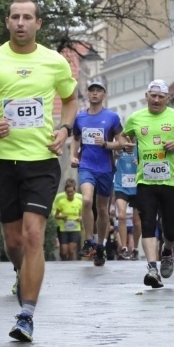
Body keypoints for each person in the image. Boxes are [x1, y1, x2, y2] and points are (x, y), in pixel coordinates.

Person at [0, 0, 77, 342]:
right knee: (14, 242)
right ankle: (20, 270)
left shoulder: (54, 62)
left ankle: (26, 314)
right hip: (3, 162)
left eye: (28, 17)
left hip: (42, 161)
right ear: (7, 22)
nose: (21, 23)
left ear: (38, 24)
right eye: (15, 17)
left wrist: (64, 129)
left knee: (32, 235)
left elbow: (71, 100)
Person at [119, 80, 174, 288]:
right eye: (152, 96)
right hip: (145, 181)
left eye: (160, 97)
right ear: (146, 96)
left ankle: (166, 252)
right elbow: (123, 135)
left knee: (170, 231)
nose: (156, 100)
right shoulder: (136, 117)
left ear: (167, 99)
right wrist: (124, 144)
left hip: (171, 181)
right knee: (147, 224)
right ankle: (152, 269)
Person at [70, 81, 123, 266]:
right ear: (87, 94)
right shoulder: (80, 118)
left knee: (102, 208)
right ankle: (89, 240)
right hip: (86, 165)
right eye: (91, 90)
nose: (94, 94)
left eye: (98, 91)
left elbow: (121, 143)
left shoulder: (112, 117)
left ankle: (100, 246)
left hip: (106, 168)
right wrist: (72, 155)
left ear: (104, 94)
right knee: (86, 200)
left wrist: (106, 144)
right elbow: (75, 139)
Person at [113, 147, 142, 261]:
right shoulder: (120, 144)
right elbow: (112, 154)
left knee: (137, 221)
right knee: (121, 215)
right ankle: (124, 248)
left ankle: (135, 248)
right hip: (121, 186)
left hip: (137, 187)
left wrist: (141, 162)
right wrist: (117, 151)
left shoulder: (140, 144)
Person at [54, 181, 83, 261]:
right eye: (68, 192)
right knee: (64, 251)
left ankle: (71, 264)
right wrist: (62, 217)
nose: (70, 193)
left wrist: (80, 218)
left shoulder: (79, 202)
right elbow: (56, 215)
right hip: (64, 228)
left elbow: (82, 215)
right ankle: (63, 259)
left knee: (71, 250)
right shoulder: (61, 202)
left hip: (75, 228)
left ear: (74, 191)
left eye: (71, 191)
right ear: (65, 192)